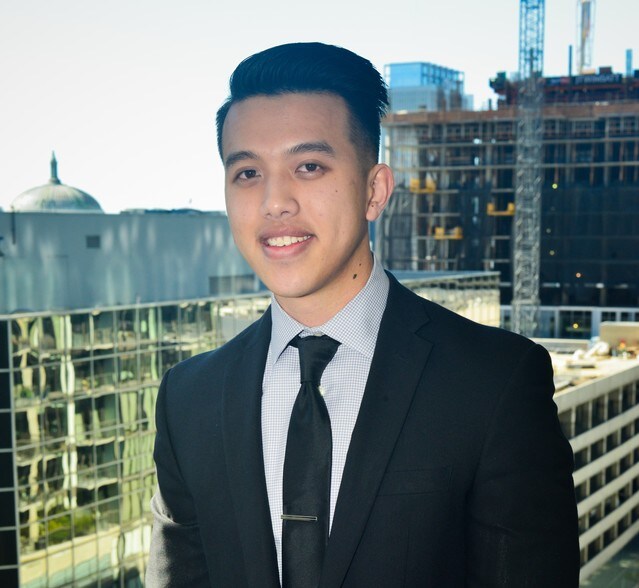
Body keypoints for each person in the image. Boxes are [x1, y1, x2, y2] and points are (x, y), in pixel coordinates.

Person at [147, 42, 579, 587]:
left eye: (308, 166)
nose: (274, 202)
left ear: (375, 190)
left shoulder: (494, 382)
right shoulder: (188, 398)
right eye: (248, 173)